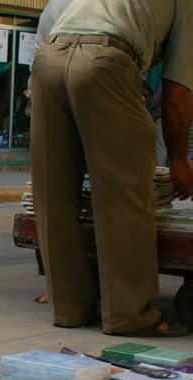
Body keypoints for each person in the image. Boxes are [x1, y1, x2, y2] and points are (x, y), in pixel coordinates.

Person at [30, 0, 192, 337]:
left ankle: (70, 308)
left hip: (47, 62)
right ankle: (129, 314)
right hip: (105, 61)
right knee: (123, 197)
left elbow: (49, 27)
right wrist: (178, 160)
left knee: (53, 195)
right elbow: (177, 94)